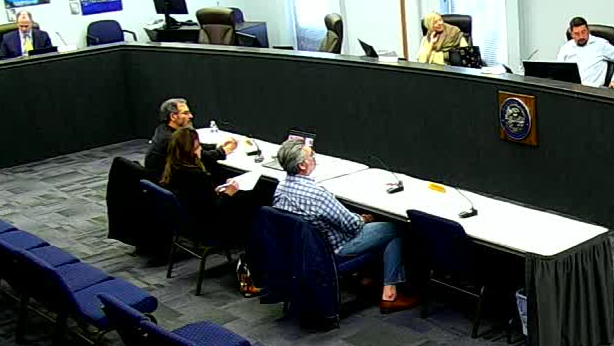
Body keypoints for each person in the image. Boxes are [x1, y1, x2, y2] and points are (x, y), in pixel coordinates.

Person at [272, 139, 417, 313]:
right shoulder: (317, 194)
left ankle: (367, 277)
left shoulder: (281, 187)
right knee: (396, 228)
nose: (315, 158)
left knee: (377, 226)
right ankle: (389, 295)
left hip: (301, 250)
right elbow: (352, 225)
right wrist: (365, 218)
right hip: (333, 249)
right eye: (312, 155)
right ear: (302, 165)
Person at [159, 126, 262, 257]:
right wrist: (228, 193)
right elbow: (214, 210)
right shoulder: (197, 176)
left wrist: (217, 191)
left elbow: (199, 198)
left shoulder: (172, 167)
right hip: (206, 227)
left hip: (185, 224)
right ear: (191, 151)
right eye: (198, 147)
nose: (201, 149)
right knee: (251, 201)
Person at [144, 98, 236, 181]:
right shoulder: (171, 138)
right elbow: (201, 157)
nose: (191, 116)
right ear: (173, 116)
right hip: (171, 183)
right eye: (185, 113)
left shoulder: (163, 129)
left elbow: (195, 147)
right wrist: (224, 151)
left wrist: (217, 146)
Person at [555, 16, 614, 88]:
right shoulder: (566, 48)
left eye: (583, 32)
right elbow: (558, 70)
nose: (581, 37)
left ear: (588, 31)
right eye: (577, 34)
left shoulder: (600, 44)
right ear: (572, 34)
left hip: (592, 91)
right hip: (571, 89)